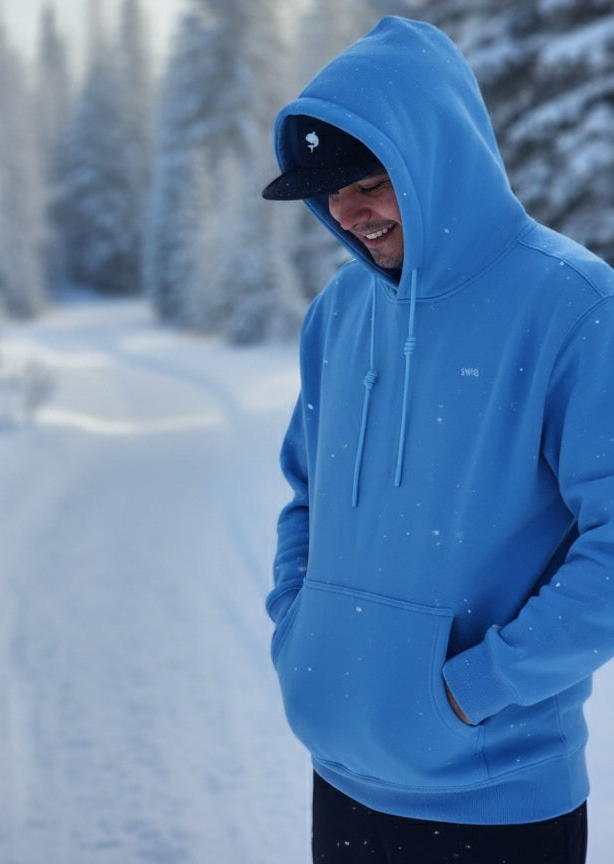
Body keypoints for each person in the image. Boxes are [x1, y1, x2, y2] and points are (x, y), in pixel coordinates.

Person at [261, 16, 614, 864]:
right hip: (341, 780)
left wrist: (475, 689)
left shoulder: (573, 305)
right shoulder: (338, 314)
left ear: (435, 164)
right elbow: (305, 496)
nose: (347, 210)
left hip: (496, 803)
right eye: (328, 188)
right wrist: (298, 631)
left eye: (370, 179)